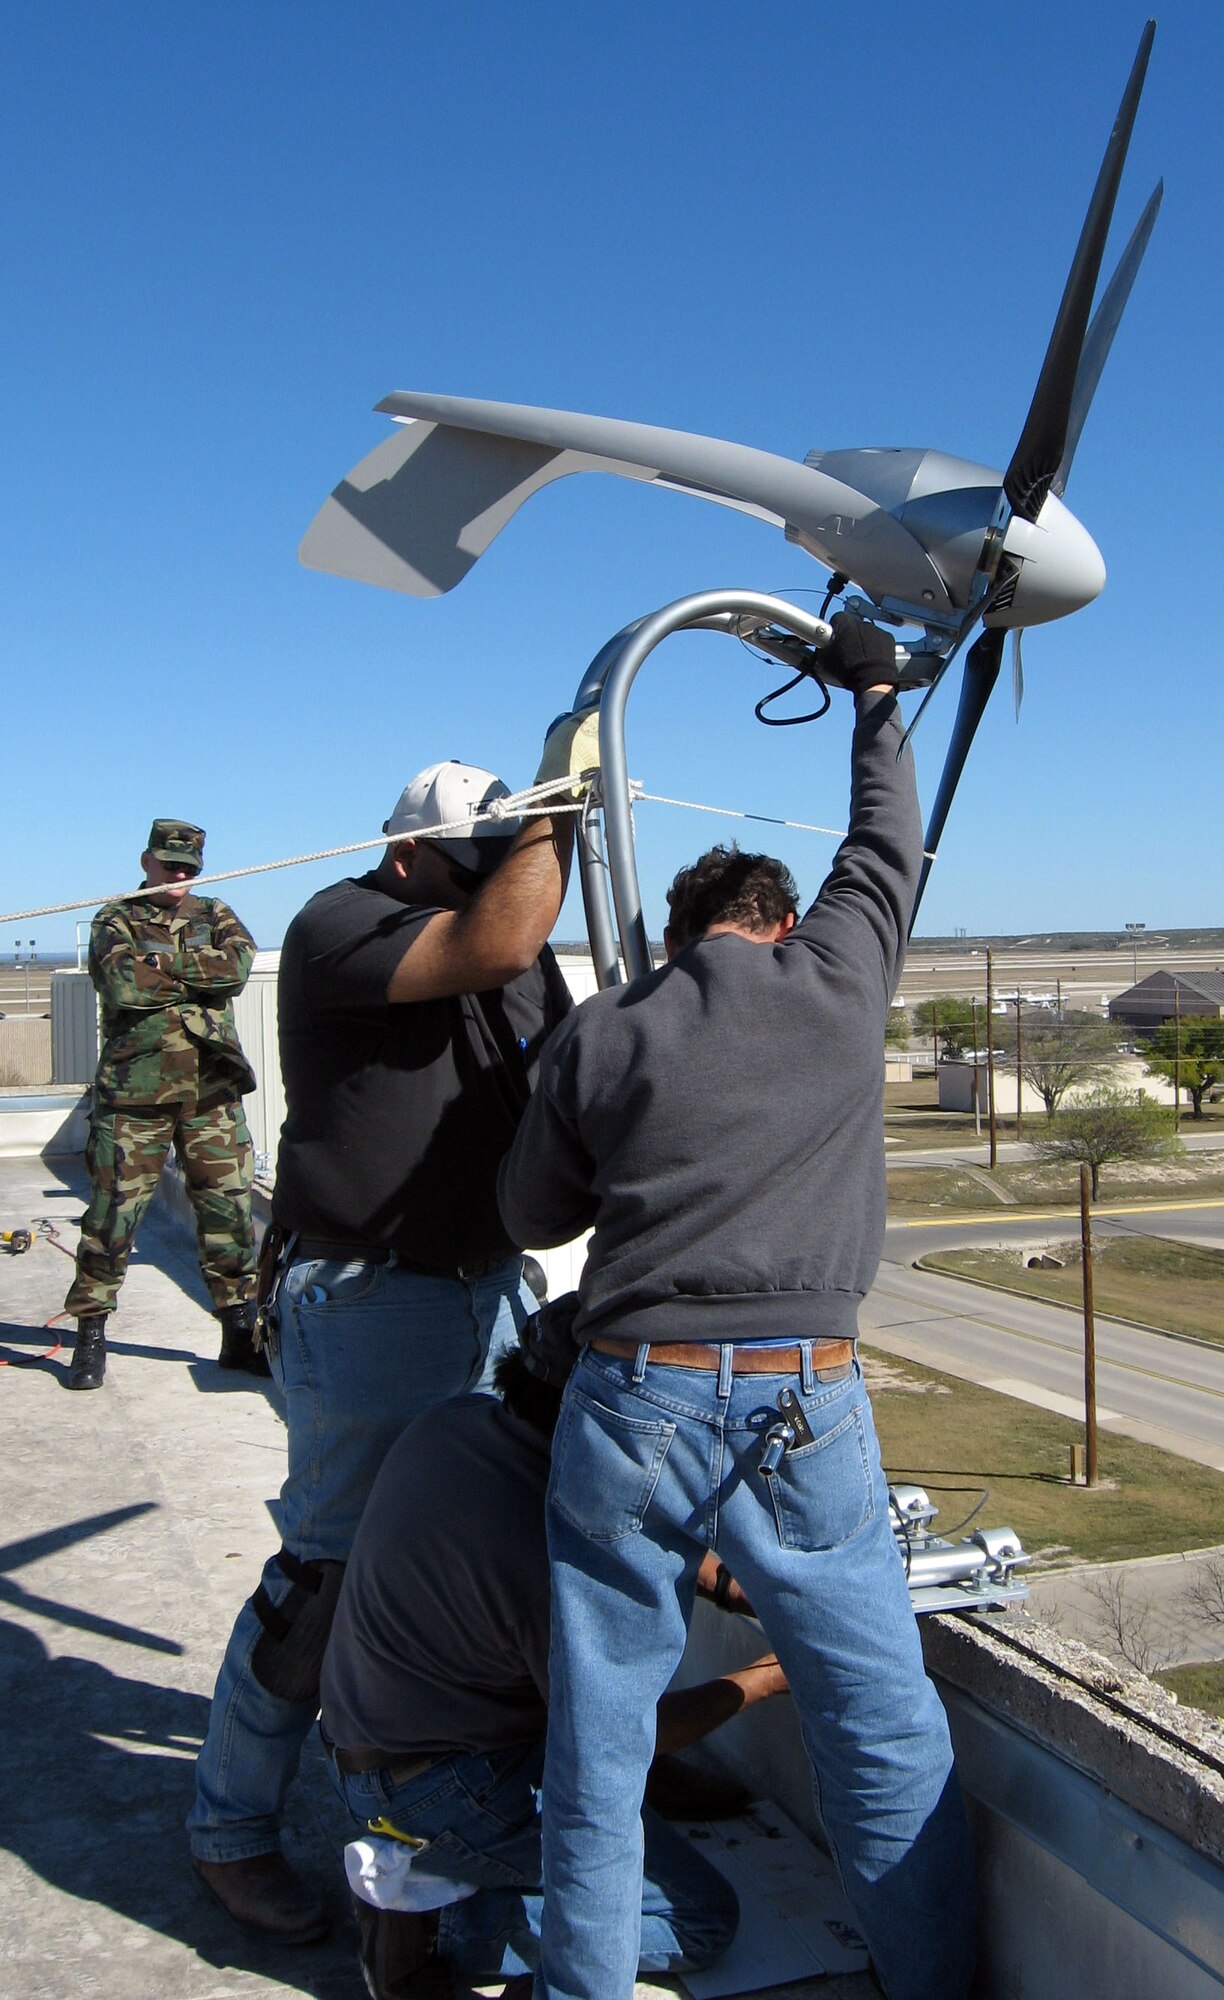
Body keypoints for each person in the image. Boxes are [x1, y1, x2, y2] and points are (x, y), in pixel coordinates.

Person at [498, 614, 977, 2000]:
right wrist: (875, 693)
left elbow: (533, 1221)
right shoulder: (840, 977)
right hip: (805, 1395)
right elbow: (886, 840)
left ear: (679, 932)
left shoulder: (614, 1026)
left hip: (631, 1391)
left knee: (600, 1727)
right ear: (776, 921)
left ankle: (579, 1986)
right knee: (878, 1718)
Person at [189, 738, 586, 1943]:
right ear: (406, 848)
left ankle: (566, 1772)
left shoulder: (506, 935)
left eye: (498, 863)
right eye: (467, 864)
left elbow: (563, 1056)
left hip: (489, 1285)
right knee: (331, 1574)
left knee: (533, 1544)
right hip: (373, 1297)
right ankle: (230, 1828)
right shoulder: (340, 922)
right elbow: (500, 940)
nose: (487, 883)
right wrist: (553, 818)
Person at [320, 1296, 785, 2000]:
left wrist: (712, 1578)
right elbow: (620, 1736)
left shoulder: (457, 1424)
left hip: (388, 1743)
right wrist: (761, 1679)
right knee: (700, 1917)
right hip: (440, 1789)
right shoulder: (552, 1553)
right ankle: (442, 1929)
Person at [63, 819, 261, 1392]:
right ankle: (90, 1334)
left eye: (189, 868)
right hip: (135, 1097)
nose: (179, 875)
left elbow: (239, 968)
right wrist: (197, 975)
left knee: (228, 1218)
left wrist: (161, 967)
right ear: (147, 861)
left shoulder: (216, 914)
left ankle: (239, 1334)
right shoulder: (114, 918)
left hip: (211, 1092)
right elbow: (122, 985)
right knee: (111, 1220)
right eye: (170, 864)